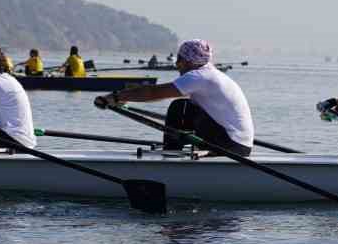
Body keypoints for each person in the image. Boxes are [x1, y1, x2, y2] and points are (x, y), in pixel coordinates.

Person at [99, 38, 253, 156]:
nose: (177, 64)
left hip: (230, 146)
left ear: (187, 61)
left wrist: (116, 97)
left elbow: (154, 93)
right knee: (186, 106)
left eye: (179, 60)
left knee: (180, 108)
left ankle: (171, 153)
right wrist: (127, 98)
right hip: (239, 144)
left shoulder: (199, 76)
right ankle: (176, 148)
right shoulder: (211, 74)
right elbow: (157, 94)